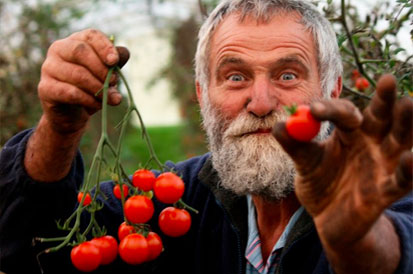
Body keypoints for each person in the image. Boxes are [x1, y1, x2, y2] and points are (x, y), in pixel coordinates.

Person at [0, 0, 412, 273]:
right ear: (202, 94)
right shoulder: (167, 204)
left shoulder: (382, 192)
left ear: (333, 90)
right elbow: (31, 248)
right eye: (235, 76)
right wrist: (60, 129)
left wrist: (359, 240)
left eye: (288, 75)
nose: (261, 101)